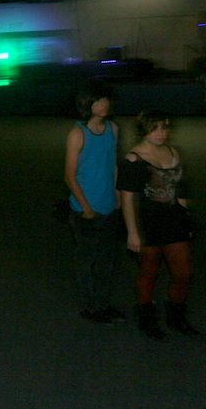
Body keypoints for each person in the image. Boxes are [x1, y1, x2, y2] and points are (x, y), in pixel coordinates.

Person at [118, 110, 200, 340]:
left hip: (174, 221)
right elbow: (127, 199)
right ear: (143, 130)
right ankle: (146, 316)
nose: (161, 133)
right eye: (154, 128)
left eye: (164, 128)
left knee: (184, 273)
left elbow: (181, 189)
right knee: (149, 271)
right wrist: (132, 233)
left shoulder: (173, 152)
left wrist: (186, 217)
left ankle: (176, 315)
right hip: (147, 223)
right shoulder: (134, 159)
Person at [63, 82, 125, 324]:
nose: (103, 105)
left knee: (107, 262)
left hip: (109, 207)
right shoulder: (78, 133)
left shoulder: (113, 129)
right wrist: (87, 208)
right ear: (86, 105)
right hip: (85, 211)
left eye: (105, 100)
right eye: (97, 101)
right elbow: (69, 176)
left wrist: (117, 195)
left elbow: (114, 165)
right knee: (87, 261)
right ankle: (91, 307)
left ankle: (102, 304)